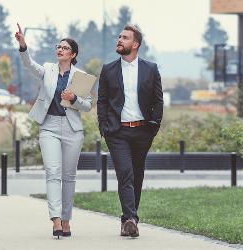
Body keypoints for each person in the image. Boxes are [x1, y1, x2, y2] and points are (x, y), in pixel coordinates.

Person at [15, 23, 93, 239]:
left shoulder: (80, 76)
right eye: (58, 46)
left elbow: (87, 105)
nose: (60, 50)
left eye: (65, 48)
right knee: (52, 173)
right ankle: (56, 220)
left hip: (72, 129)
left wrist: (74, 98)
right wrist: (23, 46)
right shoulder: (47, 69)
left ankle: (66, 220)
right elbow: (29, 65)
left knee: (68, 177)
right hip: (48, 125)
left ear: (73, 54)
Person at [96, 25, 163, 238]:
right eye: (119, 37)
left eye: (124, 38)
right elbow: (102, 101)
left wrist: (154, 125)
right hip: (117, 132)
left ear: (135, 44)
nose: (119, 40)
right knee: (125, 173)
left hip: (142, 131)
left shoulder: (150, 69)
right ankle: (132, 219)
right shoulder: (108, 69)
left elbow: (158, 100)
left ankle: (127, 221)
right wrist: (104, 127)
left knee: (137, 176)